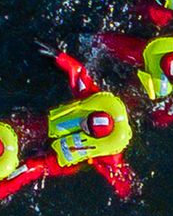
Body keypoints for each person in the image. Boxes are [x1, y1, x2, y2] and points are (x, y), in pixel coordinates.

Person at [39, 42, 137, 198]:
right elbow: (78, 73)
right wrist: (58, 56)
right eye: (87, 120)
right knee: (35, 126)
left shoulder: (110, 156)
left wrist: (128, 196)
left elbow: (120, 179)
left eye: (87, 128)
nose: (82, 123)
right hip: (59, 130)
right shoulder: (92, 100)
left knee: (39, 166)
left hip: (76, 156)